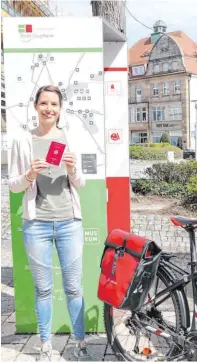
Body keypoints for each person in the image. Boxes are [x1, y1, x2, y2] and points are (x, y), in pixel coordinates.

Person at [8, 85, 92, 361]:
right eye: (44, 103)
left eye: (54, 104)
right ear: (35, 106)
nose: (49, 109)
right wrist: (30, 174)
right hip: (37, 224)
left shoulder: (70, 137)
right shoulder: (23, 140)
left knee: (73, 287)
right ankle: (45, 346)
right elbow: (14, 186)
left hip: (69, 222)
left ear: (60, 108)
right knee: (43, 289)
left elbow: (79, 184)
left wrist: (72, 169)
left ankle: (79, 343)